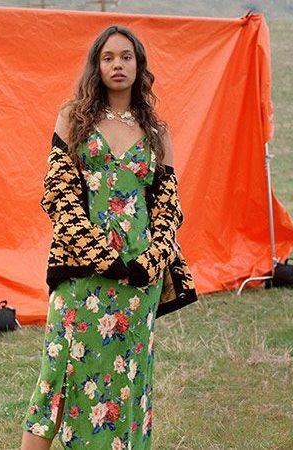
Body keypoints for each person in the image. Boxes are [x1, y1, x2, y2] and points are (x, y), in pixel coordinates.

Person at [20, 24, 195, 450]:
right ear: (96, 67)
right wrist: (98, 254)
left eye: (126, 57)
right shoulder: (74, 118)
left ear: (139, 66)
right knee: (57, 376)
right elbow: (58, 192)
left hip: (137, 281)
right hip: (81, 272)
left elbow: (168, 209)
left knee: (124, 385)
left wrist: (148, 263)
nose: (118, 64)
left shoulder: (158, 133)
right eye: (108, 57)